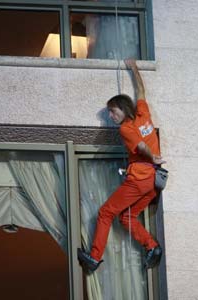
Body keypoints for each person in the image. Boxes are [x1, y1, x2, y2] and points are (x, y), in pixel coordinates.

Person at [78, 59, 165, 273]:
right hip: (154, 182)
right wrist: (134, 68)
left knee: (105, 213)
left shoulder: (126, 129)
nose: (111, 116)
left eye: (112, 111)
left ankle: (94, 257)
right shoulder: (143, 114)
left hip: (140, 180)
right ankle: (152, 246)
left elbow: (142, 146)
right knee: (126, 217)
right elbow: (141, 91)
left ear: (123, 110)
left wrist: (152, 156)